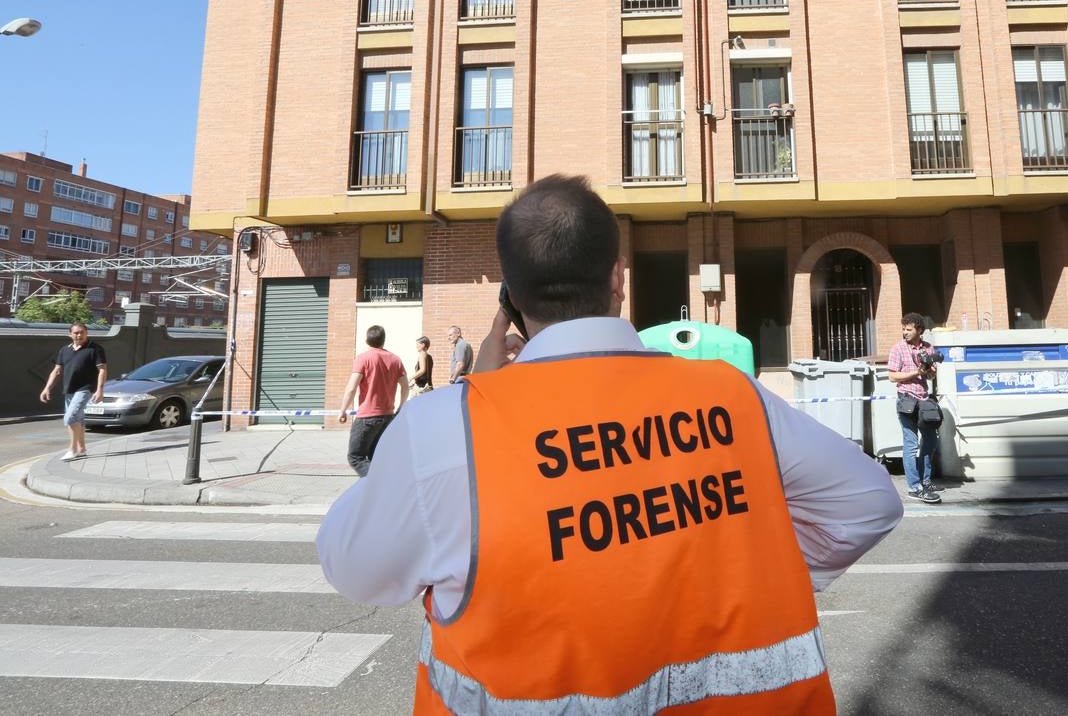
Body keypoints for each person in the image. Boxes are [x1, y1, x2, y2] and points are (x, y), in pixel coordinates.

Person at [318, 174, 903, 713]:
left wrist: (482, 397)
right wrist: (751, 566)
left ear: (512, 299)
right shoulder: (732, 394)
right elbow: (869, 503)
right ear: (618, 278)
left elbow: (355, 569)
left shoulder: (444, 428)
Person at [338, 325, 409, 477]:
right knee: (375, 457)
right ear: (384, 340)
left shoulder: (363, 358)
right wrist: (400, 408)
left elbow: (351, 388)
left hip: (367, 417)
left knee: (355, 457)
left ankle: (378, 484)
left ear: (367, 339)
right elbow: (405, 386)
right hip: (388, 416)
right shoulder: (396, 360)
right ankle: (378, 489)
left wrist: (343, 410)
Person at [888, 312, 942, 504]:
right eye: (903, 329)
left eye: (908, 329)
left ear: (919, 330)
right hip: (906, 400)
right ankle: (914, 486)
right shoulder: (898, 349)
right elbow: (893, 376)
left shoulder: (928, 348)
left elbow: (929, 378)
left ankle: (926, 481)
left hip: (924, 400)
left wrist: (930, 371)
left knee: (930, 442)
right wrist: (915, 372)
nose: (905, 332)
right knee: (911, 444)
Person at [39, 322, 107, 461]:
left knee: (69, 418)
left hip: (86, 388)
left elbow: (102, 370)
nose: (79, 335)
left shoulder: (95, 349)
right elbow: (56, 371)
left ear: (86, 333)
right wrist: (47, 388)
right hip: (69, 389)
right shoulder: (64, 350)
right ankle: (82, 449)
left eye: (82, 332)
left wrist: (100, 390)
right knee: (78, 419)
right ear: (70, 334)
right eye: (76, 332)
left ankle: (72, 449)